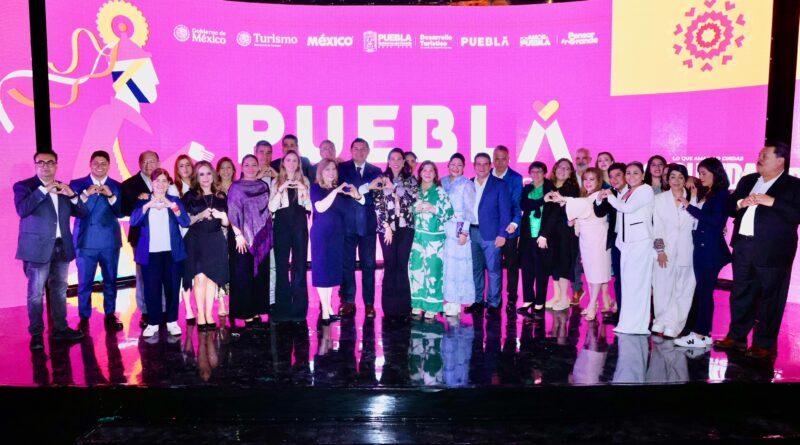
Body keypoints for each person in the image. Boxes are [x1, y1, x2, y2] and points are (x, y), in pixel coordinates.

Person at [714, 141, 800, 359]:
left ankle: (763, 343)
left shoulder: (793, 185)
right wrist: (740, 203)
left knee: (771, 297)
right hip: (744, 245)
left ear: (780, 161)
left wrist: (773, 202)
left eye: (765, 156)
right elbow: (730, 207)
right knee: (741, 293)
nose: (759, 159)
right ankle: (737, 336)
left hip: (774, 250)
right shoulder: (748, 180)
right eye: (759, 155)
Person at [16, 151, 86, 350]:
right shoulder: (24, 186)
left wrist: (72, 195)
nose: (46, 166)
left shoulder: (63, 187)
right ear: (35, 165)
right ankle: (37, 334)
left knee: (59, 290)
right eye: (41, 162)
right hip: (37, 248)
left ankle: (60, 329)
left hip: (61, 247)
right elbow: (22, 210)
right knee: (36, 294)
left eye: (50, 162)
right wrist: (44, 190)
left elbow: (83, 212)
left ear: (56, 165)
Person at [672, 158, 730, 347]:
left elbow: (715, 221)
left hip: (710, 251)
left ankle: (700, 335)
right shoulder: (708, 192)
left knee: (704, 293)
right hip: (702, 249)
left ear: (716, 173)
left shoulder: (721, 194)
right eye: (699, 173)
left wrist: (689, 206)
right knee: (703, 293)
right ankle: (703, 333)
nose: (701, 177)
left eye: (704, 173)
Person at [129, 168, 190, 338]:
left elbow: (185, 222)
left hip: (172, 253)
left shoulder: (175, 201)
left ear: (169, 183)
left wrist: (172, 207)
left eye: (164, 181)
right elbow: (133, 221)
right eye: (157, 181)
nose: (161, 184)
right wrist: (148, 205)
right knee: (151, 289)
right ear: (151, 183)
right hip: (150, 254)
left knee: (172, 288)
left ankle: (172, 321)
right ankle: (153, 322)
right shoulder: (143, 200)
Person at [597, 162, 655, 335]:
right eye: (628, 173)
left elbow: (627, 209)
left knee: (638, 286)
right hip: (626, 244)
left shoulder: (645, 190)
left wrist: (610, 196)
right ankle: (627, 322)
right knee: (628, 285)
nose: (631, 176)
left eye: (635, 173)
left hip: (640, 242)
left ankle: (639, 325)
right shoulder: (628, 191)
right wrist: (620, 243)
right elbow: (621, 217)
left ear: (643, 175)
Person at [70, 150, 124, 332]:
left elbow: (120, 212)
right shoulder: (77, 184)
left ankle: (110, 314)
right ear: (90, 164)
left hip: (109, 241)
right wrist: (85, 194)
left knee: (110, 280)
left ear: (109, 165)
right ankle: (84, 317)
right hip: (86, 241)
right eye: (96, 163)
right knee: (84, 282)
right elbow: (73, 210)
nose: (99, 167)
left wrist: (111, 196)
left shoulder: (116, 186)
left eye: (103, 163)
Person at [548, 167, 611, 321]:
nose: (588, 182)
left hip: (598, 237)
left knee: (596, 273)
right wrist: (571, 214)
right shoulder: (586, 196)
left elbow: (583, 206)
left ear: (599, 181)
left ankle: (592, 305)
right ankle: (593, 303)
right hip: (586, 238)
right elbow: (580, 210)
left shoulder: (600, 195)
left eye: (592, 179)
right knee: (590, 273)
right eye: (585, 179)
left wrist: (564, 200)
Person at [370, 148, 418, 318]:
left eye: (399, 159)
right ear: (388, 162)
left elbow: (412, 200)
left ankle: (404, 307)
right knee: (390, 266)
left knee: (402, 266)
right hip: (387, 229)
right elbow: (378, 204)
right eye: (393, 159)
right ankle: (389, 308)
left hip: (406, 227)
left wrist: (395, 188)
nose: (396, 162)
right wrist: (387, 226)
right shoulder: (381, 179)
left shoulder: (411, 180)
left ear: (404, 162)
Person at [183, 161, 230, 331]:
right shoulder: (190, 196)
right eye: (201, 174)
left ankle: (209, 314)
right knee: (200, 278)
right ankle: (201, 314)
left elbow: (226, 223)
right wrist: (200, 215)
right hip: (196, 240)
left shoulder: (221, 196)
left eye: (208, 173)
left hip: (215, 240)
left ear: (213, 175)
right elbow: (185, 221)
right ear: (196, 177)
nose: (205, 177)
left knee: (212, 278)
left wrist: (222, 217)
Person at [311, 159, 359, 323]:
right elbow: (320, 207)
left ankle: (329, 309)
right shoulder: (316, 188)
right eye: (327, 169)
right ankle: (325, 310)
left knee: (331, 271)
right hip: (321, 234)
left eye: (333, 169)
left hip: (337, 235)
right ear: (321, 172)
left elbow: (349, 210)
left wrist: (354, 195)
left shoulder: (341, 190)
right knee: (321, 271)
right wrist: (336, 191)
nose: (331, 172)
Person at [338, 138, 382, 318]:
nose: (359, 151)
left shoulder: (376, 171)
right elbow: (344, 192)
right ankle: (349, 301)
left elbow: (375, 198)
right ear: (351, 150)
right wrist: (365, 188)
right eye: (356, 148)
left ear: (368, 151)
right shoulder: (341, 169)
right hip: (346, 224)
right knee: (347, 264)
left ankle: (369, 303)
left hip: (368, 225)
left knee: (369, 265)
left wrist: (358, 191)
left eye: (363, 148)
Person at [651, 164, 696, 339]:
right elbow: (657, 228)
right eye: (672, 177)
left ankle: (675, 324)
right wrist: (660, 250)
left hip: (688, 249)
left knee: (683, 288)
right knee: (662, 286)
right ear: (667, 179)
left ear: (686, 179)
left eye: (680, 177)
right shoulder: (659, 199)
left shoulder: (693, 197)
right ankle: (660, 320)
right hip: (665, 250)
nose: (676, 181)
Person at [227, 154, 272, 328]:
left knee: (259, 276)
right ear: (242, 167)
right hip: (242, 238)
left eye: (254, 165)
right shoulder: (236, 187)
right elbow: (232, 212)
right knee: (243, 276)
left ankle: (256, 309)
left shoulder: (263, 186)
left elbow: (266, 211)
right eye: (247, 165)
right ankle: (246, 312)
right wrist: (238, 235)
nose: (251, 168)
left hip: (261, 238)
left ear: (258, 167)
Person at [465, 153, 511, 318]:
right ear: (474, 166)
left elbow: (505, 212)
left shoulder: (499, 184)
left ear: (490, 165)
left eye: (485, 164)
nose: (482, 167)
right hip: (472, 232)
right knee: (475, 269)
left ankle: (493, 304)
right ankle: (478, 301)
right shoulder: (469, 183)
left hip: (492, 234)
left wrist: (502, 234)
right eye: (478, 164)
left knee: (494, 270)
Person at [269, 151, 312, 322]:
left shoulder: (305, 180)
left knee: (299, 266)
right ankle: (282, 309)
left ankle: (299, 310)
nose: (292, 163)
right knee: (281, 266)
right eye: (289, 160)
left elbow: (309, 207)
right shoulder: (276, 181)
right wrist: (281, 188)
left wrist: (303, 191)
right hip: (281, 226)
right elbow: (271, 208)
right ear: (283, 163)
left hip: (299, 225)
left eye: (295, 160)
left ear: (298, 163)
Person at [409, 161, 454, 319]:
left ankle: (432, 306)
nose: (427, 173)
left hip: (434, 239)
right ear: (420, 173)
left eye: (431, 171)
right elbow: (405, 210)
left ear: (435, 174)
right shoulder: (414, 190)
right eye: (424, 170)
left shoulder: (440, 192)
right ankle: (417, 303)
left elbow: (449, 213)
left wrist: (434, 209)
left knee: (433, 272)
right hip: (416, 238)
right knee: (416, 270)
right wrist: (415, 209)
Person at [121, 150, 160, 328]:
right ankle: (145, 311)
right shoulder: (129, 185)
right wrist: (141, 202)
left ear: (158, 163)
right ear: (139, 164)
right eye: (145, 161)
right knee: (143, 276)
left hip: (163, 237)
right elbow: (126, 210)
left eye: (152, 161)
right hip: (141, 237)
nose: (149, 165)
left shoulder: (165, 181)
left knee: (162, 274)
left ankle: (162, 309)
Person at [541, 158, 580, 311]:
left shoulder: (571, 189)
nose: (563, 170)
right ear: (555, 169)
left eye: (567, 168)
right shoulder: (548, 186)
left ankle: (564, 297)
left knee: (564, 263)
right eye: (560, 167)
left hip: (565, 232)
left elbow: (557, 213)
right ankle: (557, 296)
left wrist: (544, 233)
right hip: (551, 232)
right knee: (554, 264)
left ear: (571, 173)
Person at [441, 153, 477, 318]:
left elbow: (470, 210)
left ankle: (456, 302)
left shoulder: (467, 184)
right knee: (447, 266)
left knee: (458, 266)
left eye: (459, 165)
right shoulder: (442, 182)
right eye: (453, 164)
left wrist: (465, 231)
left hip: (459, 227)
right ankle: (448, 300)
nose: (455, 168)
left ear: (464, 167)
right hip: (444, 228)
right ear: (448, 165)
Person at [518, 161, 553, 318]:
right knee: (526, 269)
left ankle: (539, 302)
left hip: (542, 236)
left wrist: (545, 234)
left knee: (541, 270)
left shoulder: (550, 188)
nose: (536, 174)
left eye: (539, 171)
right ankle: (528, 299)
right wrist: (542, 200)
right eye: (533, 171)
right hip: (527, 235)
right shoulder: (527, 188)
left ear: (545, 173)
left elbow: (552, 214)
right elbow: (524, 205)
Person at [491, 145, 523, 314]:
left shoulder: (516, 178)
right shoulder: (486, 175)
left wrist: (514, 223)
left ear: (509, 159)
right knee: (492, 266)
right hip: (490, 229)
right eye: (497, 158)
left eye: (503, 158)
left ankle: (512, 298)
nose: (500, 162)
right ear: (492, 160)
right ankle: (494, 298)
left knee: (511, 266)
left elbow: (517, 204)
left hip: (509, 229)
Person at [593, 162, 627, 320]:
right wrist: (599, 200)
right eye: (611, 176)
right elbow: (600, 212)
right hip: (616, 241)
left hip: (634, 242)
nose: (614, 179)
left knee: (633, 279)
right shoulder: (610, 192)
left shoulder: (635, 192)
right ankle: (621, 312)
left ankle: (635, 314)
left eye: (618, 175)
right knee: (619, 278)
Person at [169, 154, 195, 324]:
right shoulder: (173, 189)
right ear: (177, 170)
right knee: (185, 273)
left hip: (200, 235)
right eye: (181, 166)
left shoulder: (199, 185)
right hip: (183, 235)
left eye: (188, 165)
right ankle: (188, 309)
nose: (185, 169)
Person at [253, 140, 278, 309]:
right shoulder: (249, 174)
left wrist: (277, 176)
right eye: (262, 152)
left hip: (275, 225)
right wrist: (257, 177)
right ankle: (256, 299)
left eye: (269, 152)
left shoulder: (276, 174)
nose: (265, 156)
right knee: (257, 264)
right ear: (256, 153)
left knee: (273, 264)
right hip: (255, 228)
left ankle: (271, 301)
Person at [571, 148, 592, 305]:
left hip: (592, 224)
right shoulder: (569, 177)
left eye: (584, 158)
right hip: (572, 224)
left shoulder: (595, 176)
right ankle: (577, 289)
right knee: (574, 258)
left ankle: (596, 296)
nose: (580, 161)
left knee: (592, 260)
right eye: (577, 158)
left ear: (590, 160)